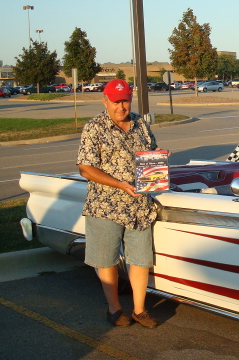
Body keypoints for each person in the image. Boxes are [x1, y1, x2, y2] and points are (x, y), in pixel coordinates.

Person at [77, 79, 160, 328]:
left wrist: (158, 161)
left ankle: (140, 310)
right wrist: (120, 184)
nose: (121, 107)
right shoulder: (94, 128)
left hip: (139, 206)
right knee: (106, 260)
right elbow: (85, 168)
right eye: (115, 102)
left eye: (124, 100)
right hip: (105, 206)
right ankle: (114, 309)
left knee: (140, 259)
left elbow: (151, 153)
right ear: (105, 101)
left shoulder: (140, 124)